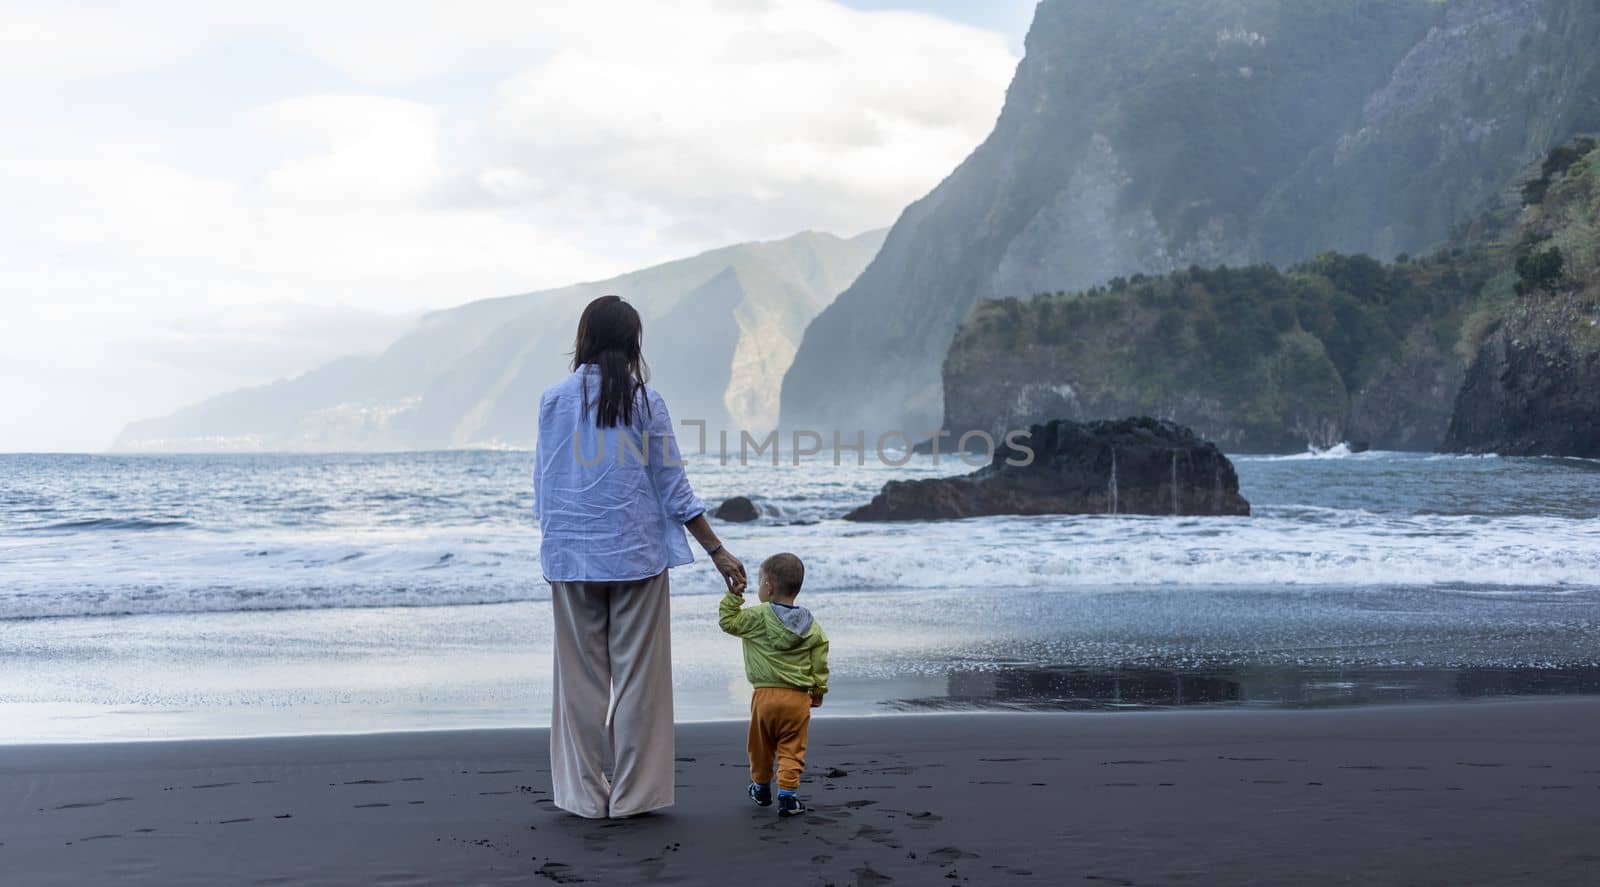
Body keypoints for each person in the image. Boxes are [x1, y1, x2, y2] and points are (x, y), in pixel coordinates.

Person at [534, 294, 746, 819]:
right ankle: (632, 797)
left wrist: (556, 544)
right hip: (635, 557)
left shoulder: (553, 399)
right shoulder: (646, 402)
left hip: (572, 558)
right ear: (633, 344)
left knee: (579, 685)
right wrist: (717, 551)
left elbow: (545, 485)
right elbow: (674, 488)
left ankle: (584, 798)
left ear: (584, 337)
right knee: (637, 683)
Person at [718, 552, 829, 817]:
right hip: (798, 698)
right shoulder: (810, 625)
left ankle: (761, 788)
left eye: (758, 584)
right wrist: (818, 689)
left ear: (768, 588)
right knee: (792, 746)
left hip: (765, 696)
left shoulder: (758, 617)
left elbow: (728, 622)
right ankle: (788, 797)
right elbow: (820, 657)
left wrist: (734, 596)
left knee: (761, 746)